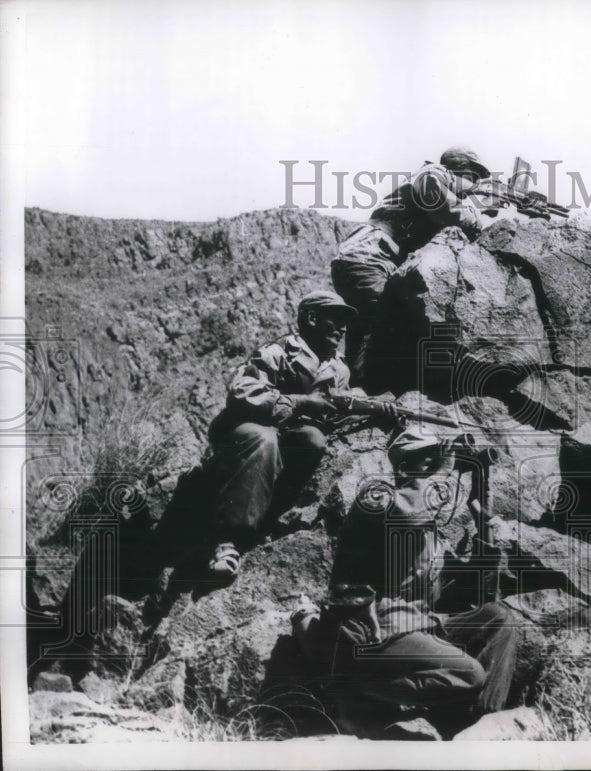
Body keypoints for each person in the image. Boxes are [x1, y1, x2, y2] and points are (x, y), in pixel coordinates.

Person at [292, 425, 517, 738]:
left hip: (418, 624)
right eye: (432, 462)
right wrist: (444, 468)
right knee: (470, 674)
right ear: (409, 466)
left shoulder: (431, 534)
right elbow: (406, 513)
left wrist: (483, 523)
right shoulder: (376, 499)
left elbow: (475, 593)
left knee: (499, 617)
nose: (444, 473)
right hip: (374, 627)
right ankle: (355, 688)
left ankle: (480, 722)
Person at [196, 290, 392, 579]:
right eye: (334, 320)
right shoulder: (277, 351)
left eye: (345, 323)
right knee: (265, 440)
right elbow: (242, 391)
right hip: (247, 436)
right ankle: (229, 540)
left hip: (287, 439)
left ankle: (268, 518)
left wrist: (375, 407)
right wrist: (299, 402)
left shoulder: (338, 367)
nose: (343, 329)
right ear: (311, 319)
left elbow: (342, 400)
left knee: (313, 441)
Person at [331, 146, 493, 381]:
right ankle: (361, 395)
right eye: (472, 178)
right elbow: (445, 208)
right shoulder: (432, 173)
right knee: (382, 326)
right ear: (457, 169)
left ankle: (354, 390)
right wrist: (476, 214)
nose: (474, 186)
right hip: (369, 257)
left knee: (367, 329)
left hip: (367, 258)